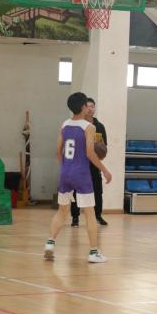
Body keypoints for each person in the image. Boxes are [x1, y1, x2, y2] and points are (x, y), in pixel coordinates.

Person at [45, 92, 112, 263]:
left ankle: (50, 243)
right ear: (83, 107)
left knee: (62, 211)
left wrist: (65, 168)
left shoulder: (65, 124)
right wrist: (105, 170)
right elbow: (90, 153)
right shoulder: (89, 127)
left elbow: (58, 151)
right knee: (89, 213)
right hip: (81, 174)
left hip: (65, 172)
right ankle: (93, 252)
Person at [71, 97, 107, 228]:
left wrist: (100, 151)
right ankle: (75, 217)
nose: (90, 109)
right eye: (88, 106)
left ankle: (98, 215)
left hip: (94, 164)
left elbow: (103, 146)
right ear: (83, 108)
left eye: (92, 106)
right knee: (76, 192)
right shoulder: (78, 125)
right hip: (79, 164)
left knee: (97, 191)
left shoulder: (100, 126)